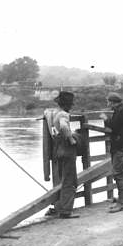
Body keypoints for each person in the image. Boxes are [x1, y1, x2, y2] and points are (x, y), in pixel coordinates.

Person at [43, 91, 79, 219]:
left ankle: (61, 207)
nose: (71, 106)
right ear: (67, 104)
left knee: (63, 178)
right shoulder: (63, 114)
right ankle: (66, 211)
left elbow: (46, 113)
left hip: (57, 149)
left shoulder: (51, 113)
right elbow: (64, 127)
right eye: (70, 104)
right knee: (70, 180)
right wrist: (71, 139)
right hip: (67, 149)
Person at [100, 92, 123, 213]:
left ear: (114, 102)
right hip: (120, 147)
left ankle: (121, 203)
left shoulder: (122, 111)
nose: (107, 104)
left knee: (118, 174)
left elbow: (115, 126)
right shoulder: (121, 111)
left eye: (108, 101)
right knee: (121, 174)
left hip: (120, 148)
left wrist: (105, 119)